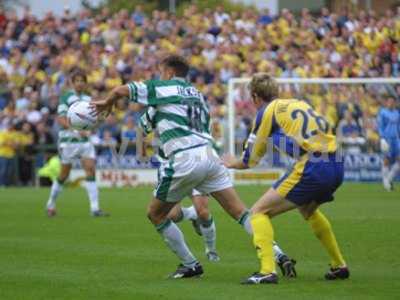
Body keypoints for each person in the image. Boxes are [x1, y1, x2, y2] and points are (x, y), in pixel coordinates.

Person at [90, 55, 295, 279]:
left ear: (168, 73)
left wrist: (107, 102)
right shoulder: (198, 96)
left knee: (156, 214)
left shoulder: (164, 89)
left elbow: (123, 91)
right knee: (241, 212)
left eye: (161, 72)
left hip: (184, 159)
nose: (160, 76)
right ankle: (278, 254)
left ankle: (191, 264)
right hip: (210, 155)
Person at [223, 73, 349, 284]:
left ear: (255, 97)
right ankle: (339, 265)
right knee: (307, 209)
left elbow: (250, 160)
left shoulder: (267, 111)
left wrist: (230, 163)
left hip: (313, 164)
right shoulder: (297, 103)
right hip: (337, 161)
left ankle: (267, 271)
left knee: (257, 212)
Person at [45, 69, 109, 217]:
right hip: (69, 141)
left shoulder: (88, 99)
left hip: (85, 141)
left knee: (91, 170)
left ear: (85, 83)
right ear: (72, 83)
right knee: (63, 175)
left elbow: (92, 121)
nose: (80, 83)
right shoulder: (66, 97)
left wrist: (100, 119)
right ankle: (51, 203)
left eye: (82, 80)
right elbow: (60, 119)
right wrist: (76, 130)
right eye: (77, 80)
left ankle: (95, 209)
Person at [377, 97, 400, 191]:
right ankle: (386, 183)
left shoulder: (397, 113)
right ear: (386, 103)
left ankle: (388, 179)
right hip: (386, 139)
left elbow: (398, 127)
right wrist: (382, 138)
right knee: (386, 160)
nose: (391, 103)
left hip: (396, 139)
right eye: (389, 101)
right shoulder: (382, 112)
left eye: (392, 102)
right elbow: (380, 126)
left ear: (394, 103)